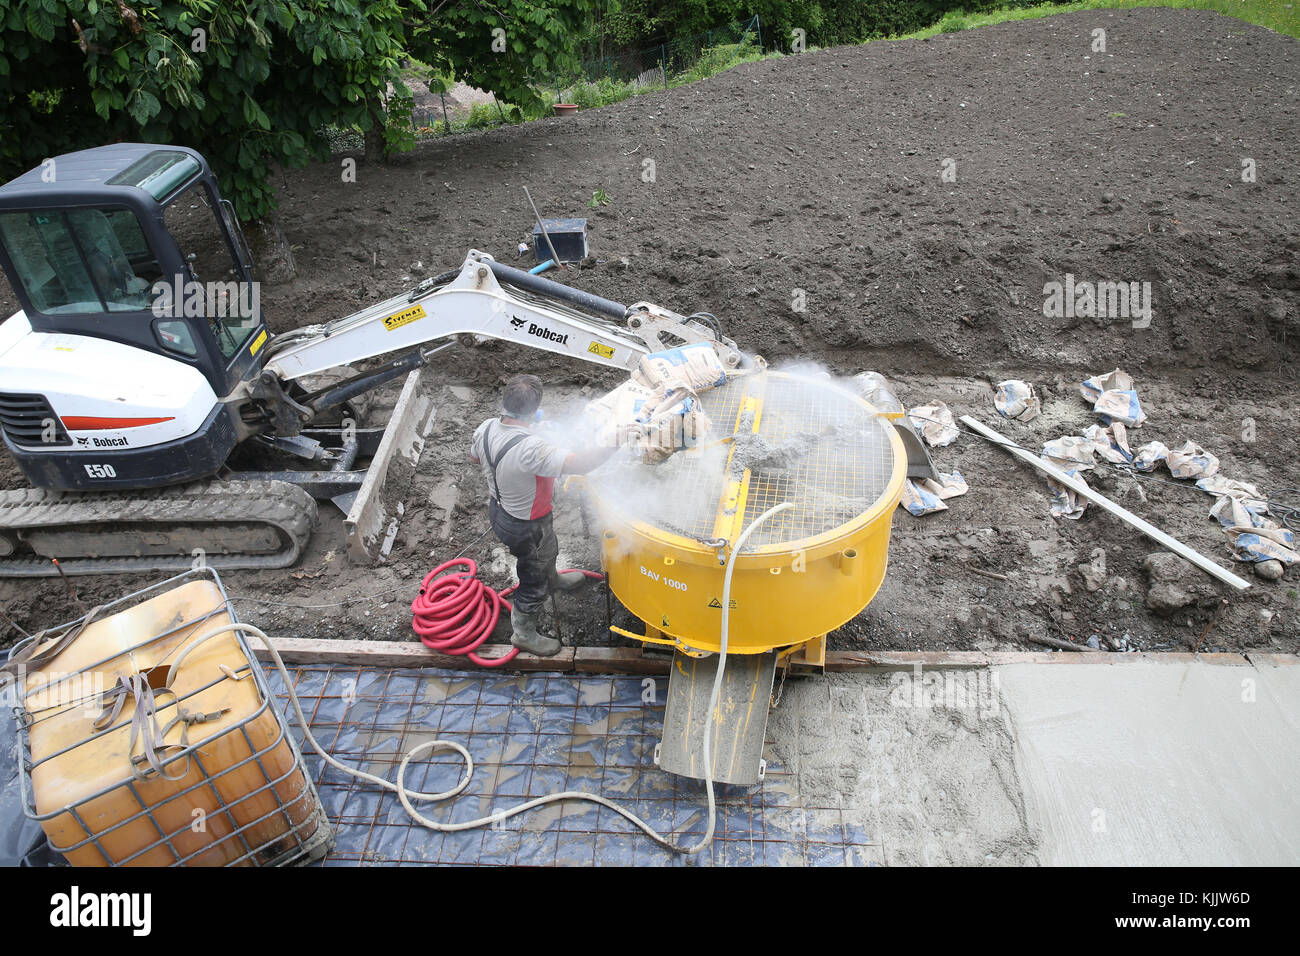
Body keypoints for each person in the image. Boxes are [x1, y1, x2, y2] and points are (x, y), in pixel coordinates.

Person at [470, 374, 617, 656]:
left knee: (548, 549)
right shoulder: (531, 448)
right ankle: (523, 634)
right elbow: (583, 464)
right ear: (534, 408)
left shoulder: (486, 427)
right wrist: (616, 443)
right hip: (525, 525)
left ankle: (554, 578)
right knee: (532, 580)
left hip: (500, 510)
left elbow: (474, 457)